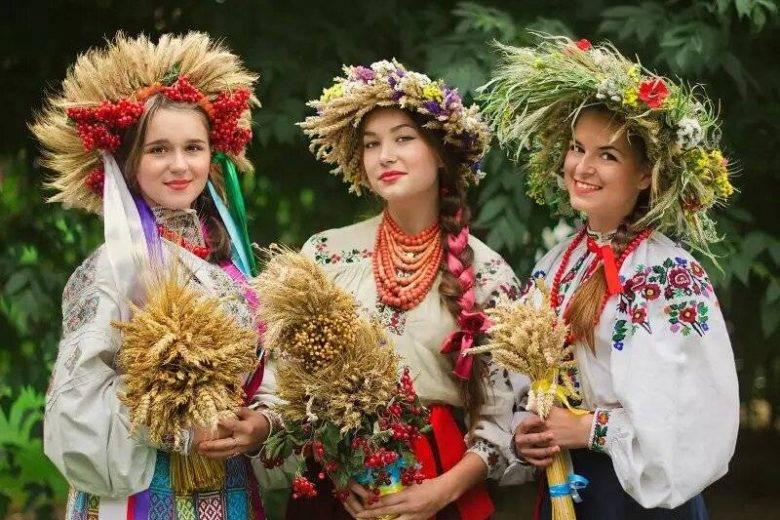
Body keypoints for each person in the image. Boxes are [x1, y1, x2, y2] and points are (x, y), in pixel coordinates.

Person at [479, 36, 739, 519]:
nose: (583, 167)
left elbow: (689, 409)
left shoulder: (669, 273)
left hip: (639, 496)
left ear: (645, 175)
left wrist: (588, 429)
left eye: (608, 155)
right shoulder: (555, 262)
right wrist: (528, 432)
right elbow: (527, 380)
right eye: (577, 148)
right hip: (568, 484)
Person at [31, 32, 274, 519]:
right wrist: (181, 425)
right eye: (159, 149)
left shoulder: (230, 266)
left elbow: (268, 369)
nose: (180, 165)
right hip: (141, 495)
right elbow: (75, 404)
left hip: (230, 491)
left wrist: (262, 424)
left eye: (194, 147)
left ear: (212, 155)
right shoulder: (111, 269)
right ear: (128, 161)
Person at [286, 59, 532, 520]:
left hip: (439, 484)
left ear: (440, 153)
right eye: (372, 144)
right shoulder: (323, 255)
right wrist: (338, 467)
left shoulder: (489, 273)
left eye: (403, 138)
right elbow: (288, 379)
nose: (385, 156)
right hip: (337, 491)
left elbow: (503, 416)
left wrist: (441, 491)